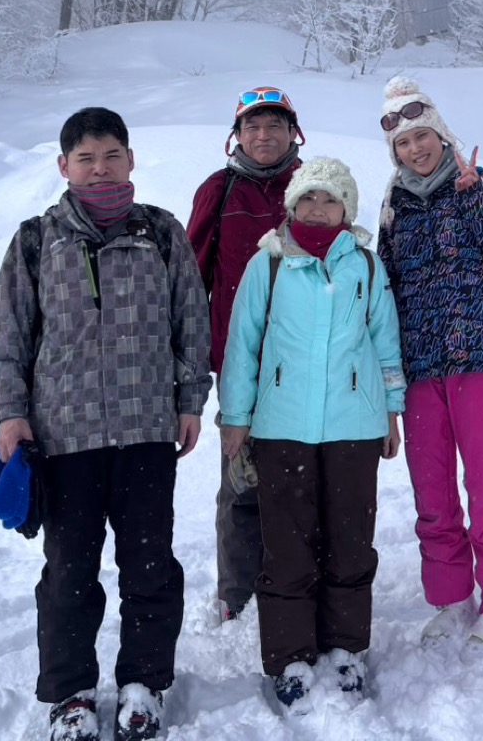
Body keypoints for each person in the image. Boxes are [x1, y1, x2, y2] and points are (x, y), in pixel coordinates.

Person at [0, 107, 211, 741]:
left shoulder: (162, 234)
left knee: (150, 566)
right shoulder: (36, 240)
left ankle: (144, 683)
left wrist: (191, 400)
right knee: (69, 574)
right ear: (64, 167)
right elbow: (7, 335)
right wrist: (11, 414)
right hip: (65, 439)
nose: (100, 167)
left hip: (145, 432)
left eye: (111, 154)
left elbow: (191, 324)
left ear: (131, 160)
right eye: (85, 158)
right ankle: (72, 694)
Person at [217, 157, 404, 716]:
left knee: (350, 541)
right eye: (309, 198)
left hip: (354, 426)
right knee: (288, 545)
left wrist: (391, 409)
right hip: (282, 428)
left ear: (347, 210)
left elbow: (385, 342)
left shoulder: (366, 268)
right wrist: (235, 415)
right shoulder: (268, 266)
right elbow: (242, 345)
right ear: (292, 205)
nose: (318, 208)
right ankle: (291, 656)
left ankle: (345, 648)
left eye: (331, 199)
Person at [375, 76, 483, 665]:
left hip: (481, 357)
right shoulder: (394, 207)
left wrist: (477, 198)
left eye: (422, 136)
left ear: (440, 133)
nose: (415, 149)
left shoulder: (476, 185)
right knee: (433, 494)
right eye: (402, 144)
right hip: (420, 367)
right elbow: (387, 288)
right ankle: (450, 599)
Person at [185, 87, 304, 622]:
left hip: (307, 359)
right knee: (240, 483)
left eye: (273, 125)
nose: (263, 136)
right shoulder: (219, 188)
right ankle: (237, 594)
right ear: (237, 135)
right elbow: (192, 275)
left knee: (304, 478)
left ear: (291, 133)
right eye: (253, 126)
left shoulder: (312, 187)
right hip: (241, 363)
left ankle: (299, 577)